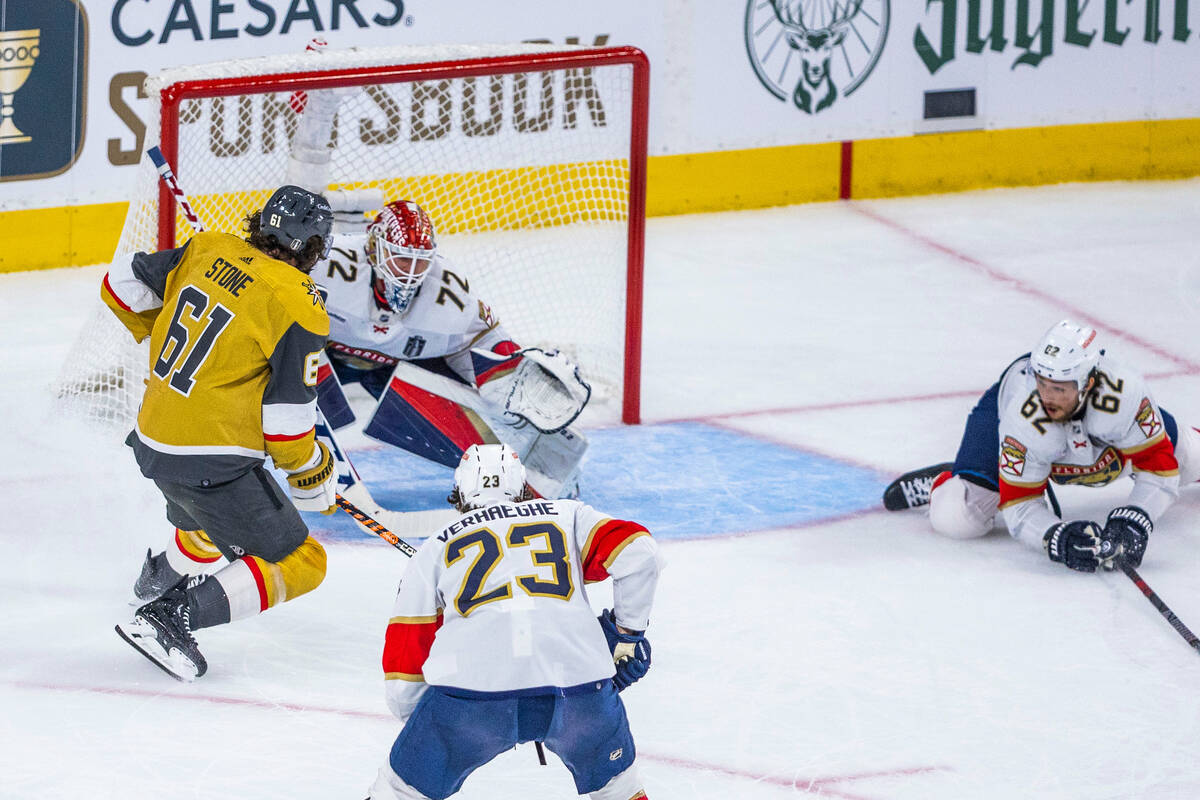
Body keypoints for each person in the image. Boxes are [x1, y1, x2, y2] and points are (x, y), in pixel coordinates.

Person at [105, 185, 339, 682]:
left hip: (152, 439)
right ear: (315, 248)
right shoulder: (299, 302)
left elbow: (119, 282)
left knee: (209, 524)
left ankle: (160, 578)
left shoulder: (207, 247)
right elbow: (285, 427)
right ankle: (171, 618)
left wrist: (160, 329)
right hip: (208, 460)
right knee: (303, 560)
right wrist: (311, 468)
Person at [366, 444, 662, 800]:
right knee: (620, 789)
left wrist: (430, 728)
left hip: (472, 700)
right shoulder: (567, 515)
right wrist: (626, 635)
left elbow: (404, 666)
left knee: (400, 792)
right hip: (579, 694)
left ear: (459, 493)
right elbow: (640, 554)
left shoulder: (435, 549)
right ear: (523, 489)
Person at [312, 198, 591, 498]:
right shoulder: (325, 265)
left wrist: (512, 375)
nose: (411, 272)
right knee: (280, 392)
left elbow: (483, 341)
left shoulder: (448, 292)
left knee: (475, 424)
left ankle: (538, 479)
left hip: (399, 362)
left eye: (420, 260)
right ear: (374, 248)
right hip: (323, 354)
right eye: (402, 259)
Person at [884, 319, 1200, 573]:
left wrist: (1136, 518)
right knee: (956, 515)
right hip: (1013, 438)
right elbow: (1020, 505)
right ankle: (954, 479)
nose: (1047, 398)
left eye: (1060, 388)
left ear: (1088, 383)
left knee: (1190, 458)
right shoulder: (1022, 416)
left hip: (1106, 439)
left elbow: (1159, 468)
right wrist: (1055, 537)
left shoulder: (1123, 396)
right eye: (1042, 383)